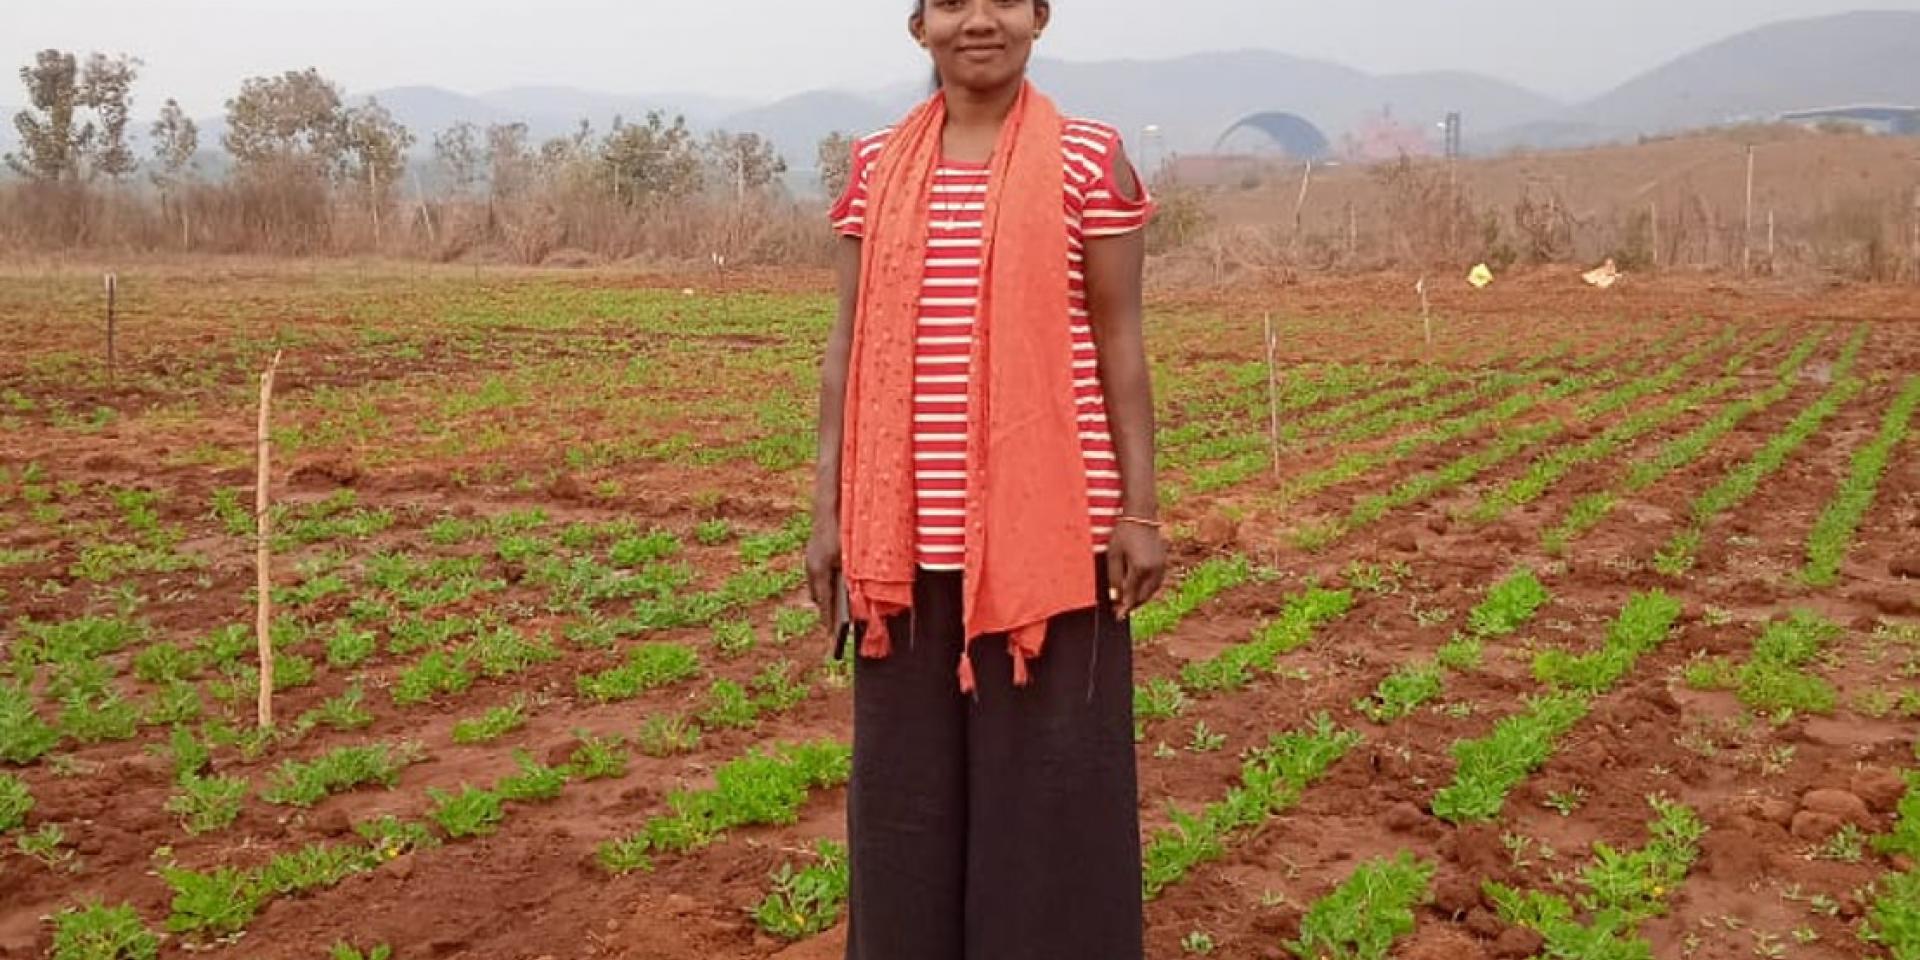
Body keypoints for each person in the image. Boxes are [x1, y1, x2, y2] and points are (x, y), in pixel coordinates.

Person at [806, 0, 1165, 957]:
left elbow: (1121, 341)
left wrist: (1140, 509)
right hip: (902, 555)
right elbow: (846, 347)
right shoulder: (878, 166)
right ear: (917, 24)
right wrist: (828, 514)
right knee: (906, 816)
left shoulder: (1092, 157)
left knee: (1053, 812)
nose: (980, 20)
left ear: (1040, 17)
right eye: (954, 1)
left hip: (1056, 551)